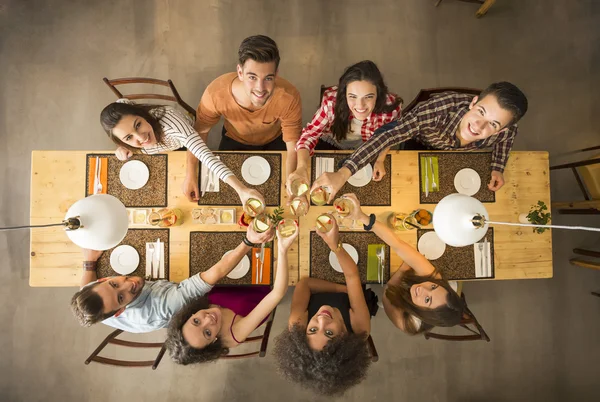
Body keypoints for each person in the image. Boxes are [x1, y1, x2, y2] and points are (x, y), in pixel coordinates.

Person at [311, 81, 528, 199]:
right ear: (472, 103)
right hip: (416, 142)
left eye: (493, 124)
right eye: (480, 111)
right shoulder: (436, 111)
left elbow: (509, 137)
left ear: (501, 129)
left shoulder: (505, 131)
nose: (478, 126)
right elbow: (387, 134)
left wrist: (498, 167)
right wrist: (343, 173)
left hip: (448, 161)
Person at [70, 224, 273, 333]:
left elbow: (84, 287)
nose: (128, 284)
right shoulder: (163, 307)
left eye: (114, 284)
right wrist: (249, 241)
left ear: (102, 280)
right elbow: (214, 275)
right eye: (121, 297)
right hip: (203, 306)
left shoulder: (94, 301)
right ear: (119, 311)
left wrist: (89, 263)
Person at [165, 220, 299, 364]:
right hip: (259, 280)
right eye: (207, 333)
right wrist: (282, 249)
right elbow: (277, 293)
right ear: (213, 342)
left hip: (231, 269)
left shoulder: (188, 306)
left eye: (196, 321)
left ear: (188, 316)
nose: (208, 319)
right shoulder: (234, 334)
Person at [273, 215, 377, 396]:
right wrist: (334, 245)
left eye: (312, 330)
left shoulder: (296, 326)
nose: (321, 320)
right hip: (347, 274)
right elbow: (352, 276)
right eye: (329, 333)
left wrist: (343, 289)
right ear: (345, 337)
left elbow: (305, 284)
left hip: (327, 279)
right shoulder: (360, 328)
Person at [100, 100, 264, 205]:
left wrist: (241, 189)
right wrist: (122, 148)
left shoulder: (171, 124)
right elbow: (121, 102)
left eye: (138, 125)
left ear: (142, 115)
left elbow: (206, 156)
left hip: (184, 139)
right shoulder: (128, 133)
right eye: (129, 137)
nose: (141, 137)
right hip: (167, 152)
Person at [343, 193, 464, 334]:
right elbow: (397, 244)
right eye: (433, 286)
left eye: (427, 299)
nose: (423, 289)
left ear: (424, 314)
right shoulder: (433, 276)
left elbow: (387, 294)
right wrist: (362, 217)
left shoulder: (407, 323)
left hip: (392, 294)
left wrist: (402, 269)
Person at [193, 35, 302, 180]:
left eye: (268, 78)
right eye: (252, 77)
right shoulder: (216, 93)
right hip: (233, 140)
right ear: (240, 72)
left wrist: (291, 186)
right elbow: (199, 133)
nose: (260, 88)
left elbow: (292, 146)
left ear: (276, 75)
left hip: (274, 142)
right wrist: (192, 175)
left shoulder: (289, 97)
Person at [287, 60, 402, 196]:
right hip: (333, 143)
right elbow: (310, 135)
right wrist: (301, 166)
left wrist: (380, 160)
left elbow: (389, 137)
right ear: (344, 93)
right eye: (352, 97)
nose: (360, 106)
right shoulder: (331, 102)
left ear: (379, 93)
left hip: (369, 147)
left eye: (368, 97)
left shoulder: (391, 107)